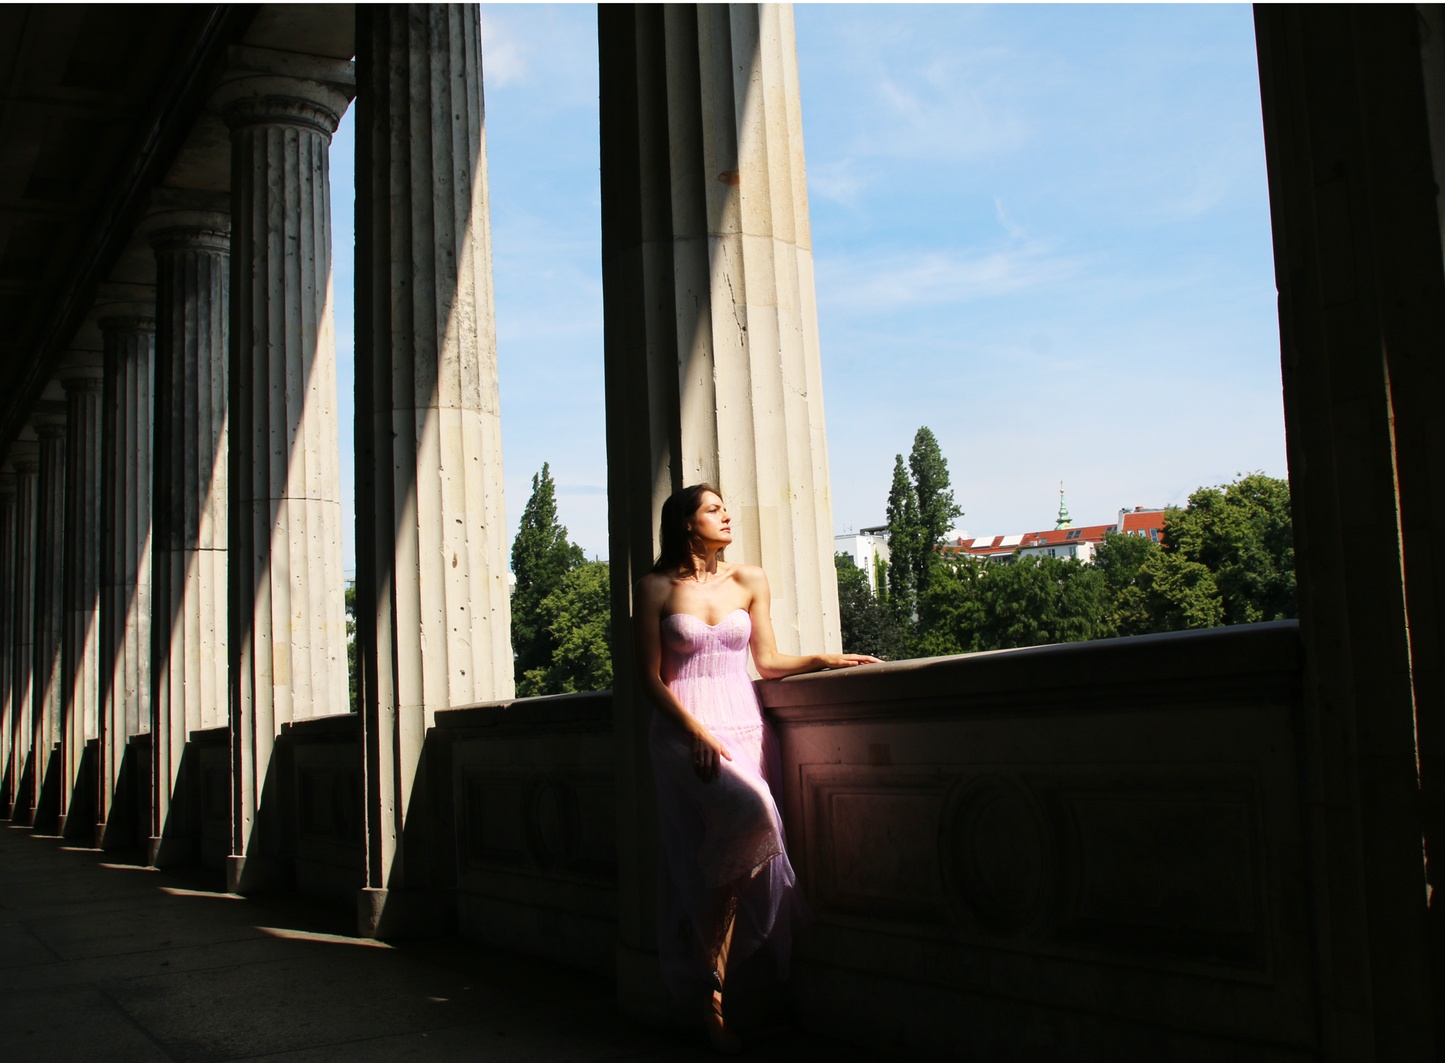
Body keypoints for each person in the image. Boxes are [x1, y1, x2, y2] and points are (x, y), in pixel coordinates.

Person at [633, 484, 879, 1053]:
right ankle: (711, 982)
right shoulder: (653, 588)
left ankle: (711, 991)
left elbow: (765, 663)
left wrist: (823, 658)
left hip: (744, 724)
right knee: (756, 814)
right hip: (685, 730)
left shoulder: (750, 579)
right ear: (685, 524)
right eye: (713, 510)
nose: (725, 516)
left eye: (725, 509)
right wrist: (694, 730)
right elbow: (648, 678)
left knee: (730, 849)